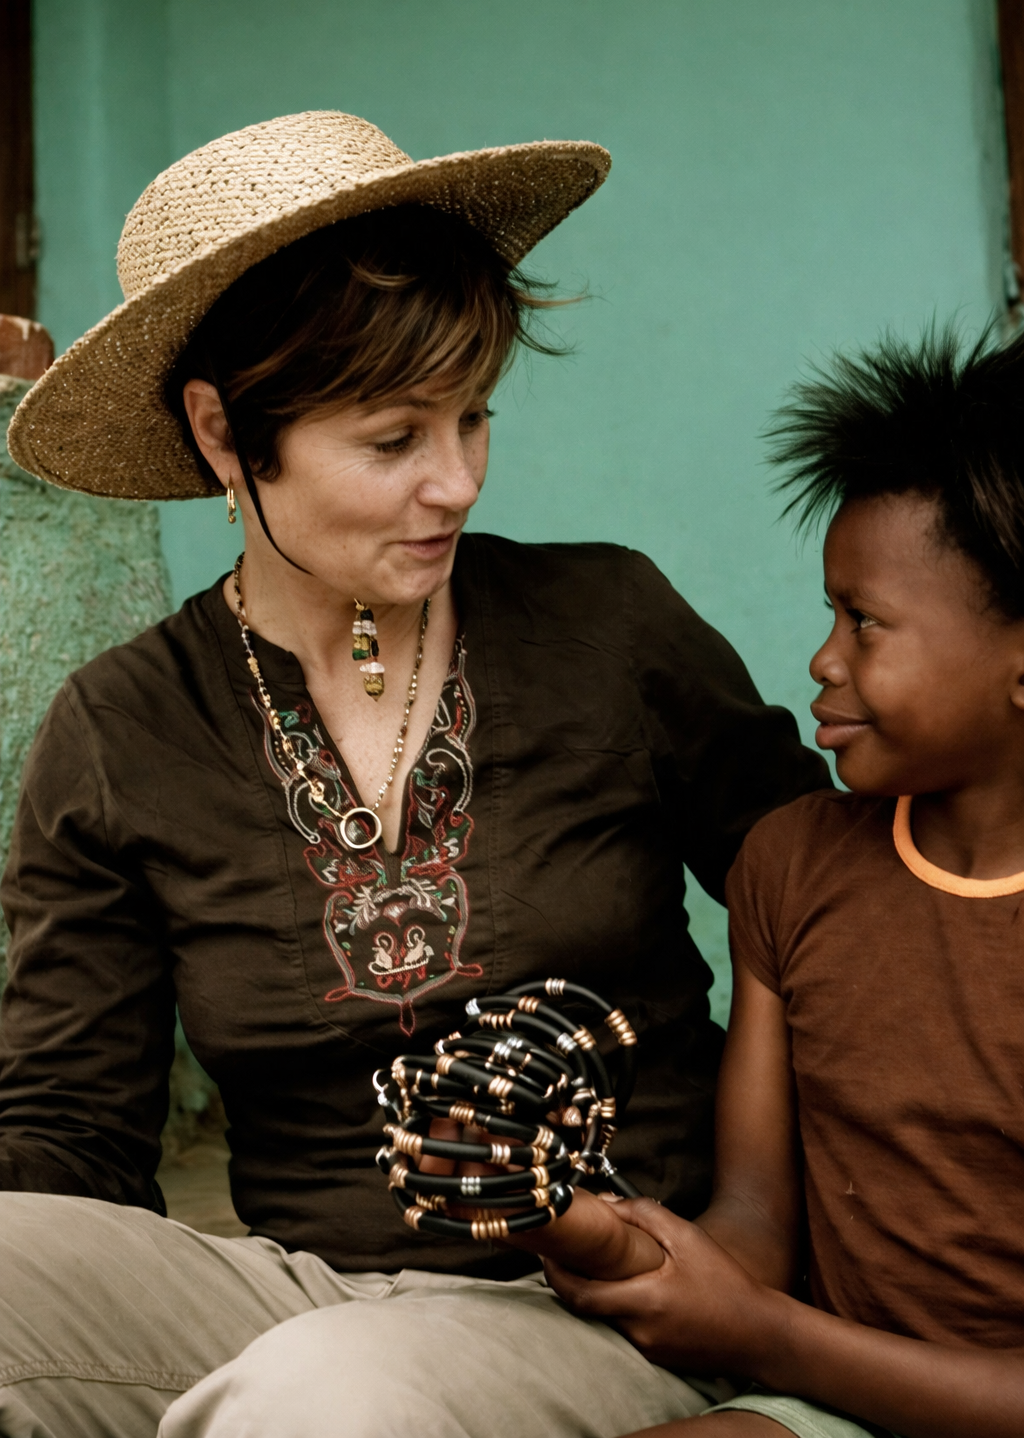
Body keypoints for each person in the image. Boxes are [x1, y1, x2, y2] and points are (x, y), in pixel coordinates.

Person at [0, 111, 827, 1438]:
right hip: (289, 1302)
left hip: (593, 1307)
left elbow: (832, 913)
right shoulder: (121, 729)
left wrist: (756, 1231)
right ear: (222, 435)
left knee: (322, 1399)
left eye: (474, 417)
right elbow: (70, 1139)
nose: (457, 482)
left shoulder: (609, 629)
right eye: (392, 442)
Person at [544, 325, 1024, 1438]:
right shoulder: (794, 865)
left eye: (865, 623)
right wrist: (576, 1226)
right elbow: (757, 1220)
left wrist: (770, 1338)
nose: (822, 658)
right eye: (827, 611)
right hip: (839, 1406)